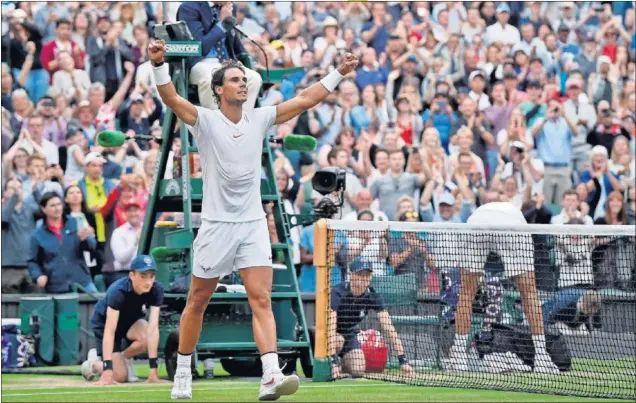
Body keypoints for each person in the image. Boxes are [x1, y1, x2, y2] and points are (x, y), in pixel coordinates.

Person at [147, 39, 359, 400]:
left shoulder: (260, 118)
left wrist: (338, 72)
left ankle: (271, 374)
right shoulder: (206, 120)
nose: (243, 83)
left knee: (261, 299)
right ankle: (183, 372)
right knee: (196, 301)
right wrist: (158, 65)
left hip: (252, 225)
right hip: (215, 225)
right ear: (218, 89)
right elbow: (172, 99)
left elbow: (306, 99)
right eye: (235, 80)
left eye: (245, 79)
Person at [448, 201, 560, 374]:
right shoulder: (516, 215)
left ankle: (459, 356)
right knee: (529, 293)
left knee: (466, 293)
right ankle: (541, 356)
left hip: (477, 224)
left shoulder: (483, 210)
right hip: (510, 226)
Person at [81, 255, 164, 385]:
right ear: (132, 275)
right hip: (105, 324)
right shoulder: (117, 291)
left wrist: (153, 372)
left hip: (130, 321)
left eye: (151, 276)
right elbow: (109, 330)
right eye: (143, 276)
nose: (148, 281)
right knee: (119, 376)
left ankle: (122, 359)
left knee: (148, 335)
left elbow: (153, 329)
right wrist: (108, 370)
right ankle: (94, 364)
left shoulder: (156, 289)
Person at [329, 258, 414, 378]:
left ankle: (340, 366)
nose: (364, 278)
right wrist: (332, 361)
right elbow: (330, 327)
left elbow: (388, 328)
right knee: (338, 340)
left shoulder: (373, 296)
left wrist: (403, 361)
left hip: (349, 333)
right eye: (360, 274)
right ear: (351, 275)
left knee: (358, 370)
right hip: (327, 334)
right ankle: (332, 363)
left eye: (367, 275)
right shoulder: (337, 292)